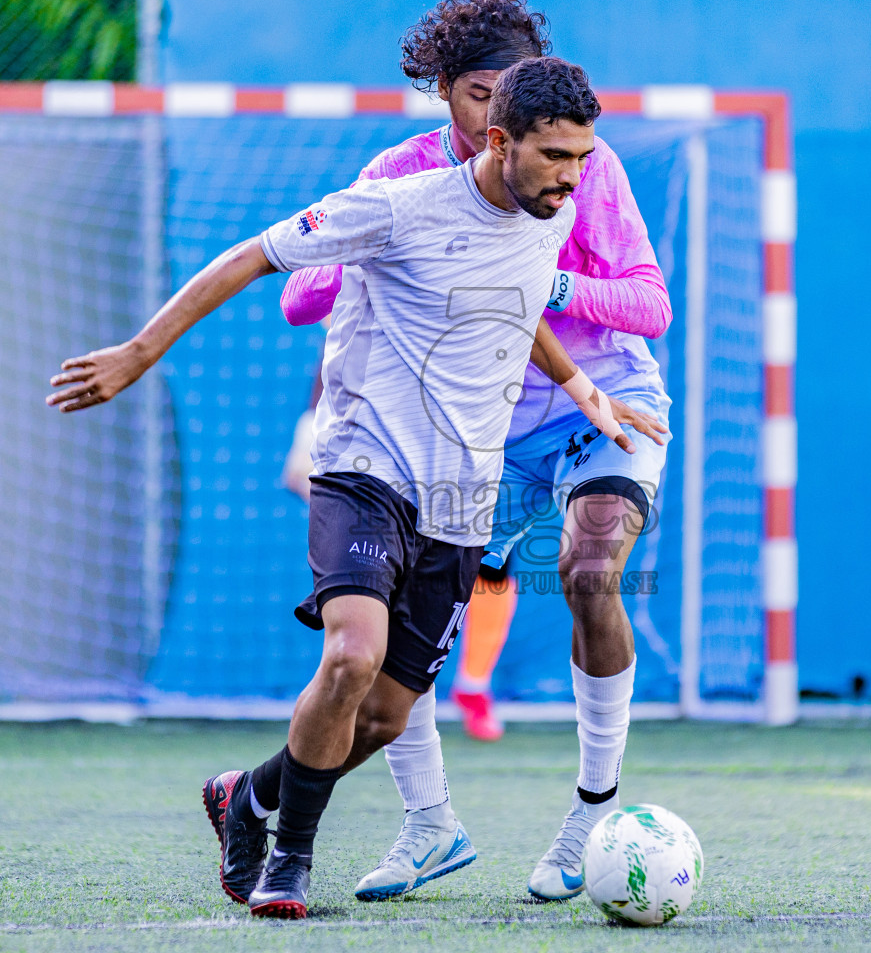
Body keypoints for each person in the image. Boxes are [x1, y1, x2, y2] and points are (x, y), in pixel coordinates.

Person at [46, 56, 667, 919]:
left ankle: (251, 797)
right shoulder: (398, 202)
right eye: (557, 156)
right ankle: (290, 861)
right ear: (495, 137)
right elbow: (256, 258)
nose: (575, 176)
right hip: (365, 468)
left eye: (583, 157)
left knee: (378, 718)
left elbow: (512, 307)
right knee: (350, 655)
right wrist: (138, 355)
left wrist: (582, 388)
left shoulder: (544, 217)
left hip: (461, 494)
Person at [277, 0, 674, 903]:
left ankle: (592, 814)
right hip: (465, 429)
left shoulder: (579, 165)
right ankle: (429, 824)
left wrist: (545, 285)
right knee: (382, 637)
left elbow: (650, 305)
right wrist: (352, 253)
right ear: (444, 91)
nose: (498, 116)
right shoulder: (403, 175)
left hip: (599, 407)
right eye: (478, 95)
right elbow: (301, 294)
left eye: (514, 96)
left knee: (589, 564)